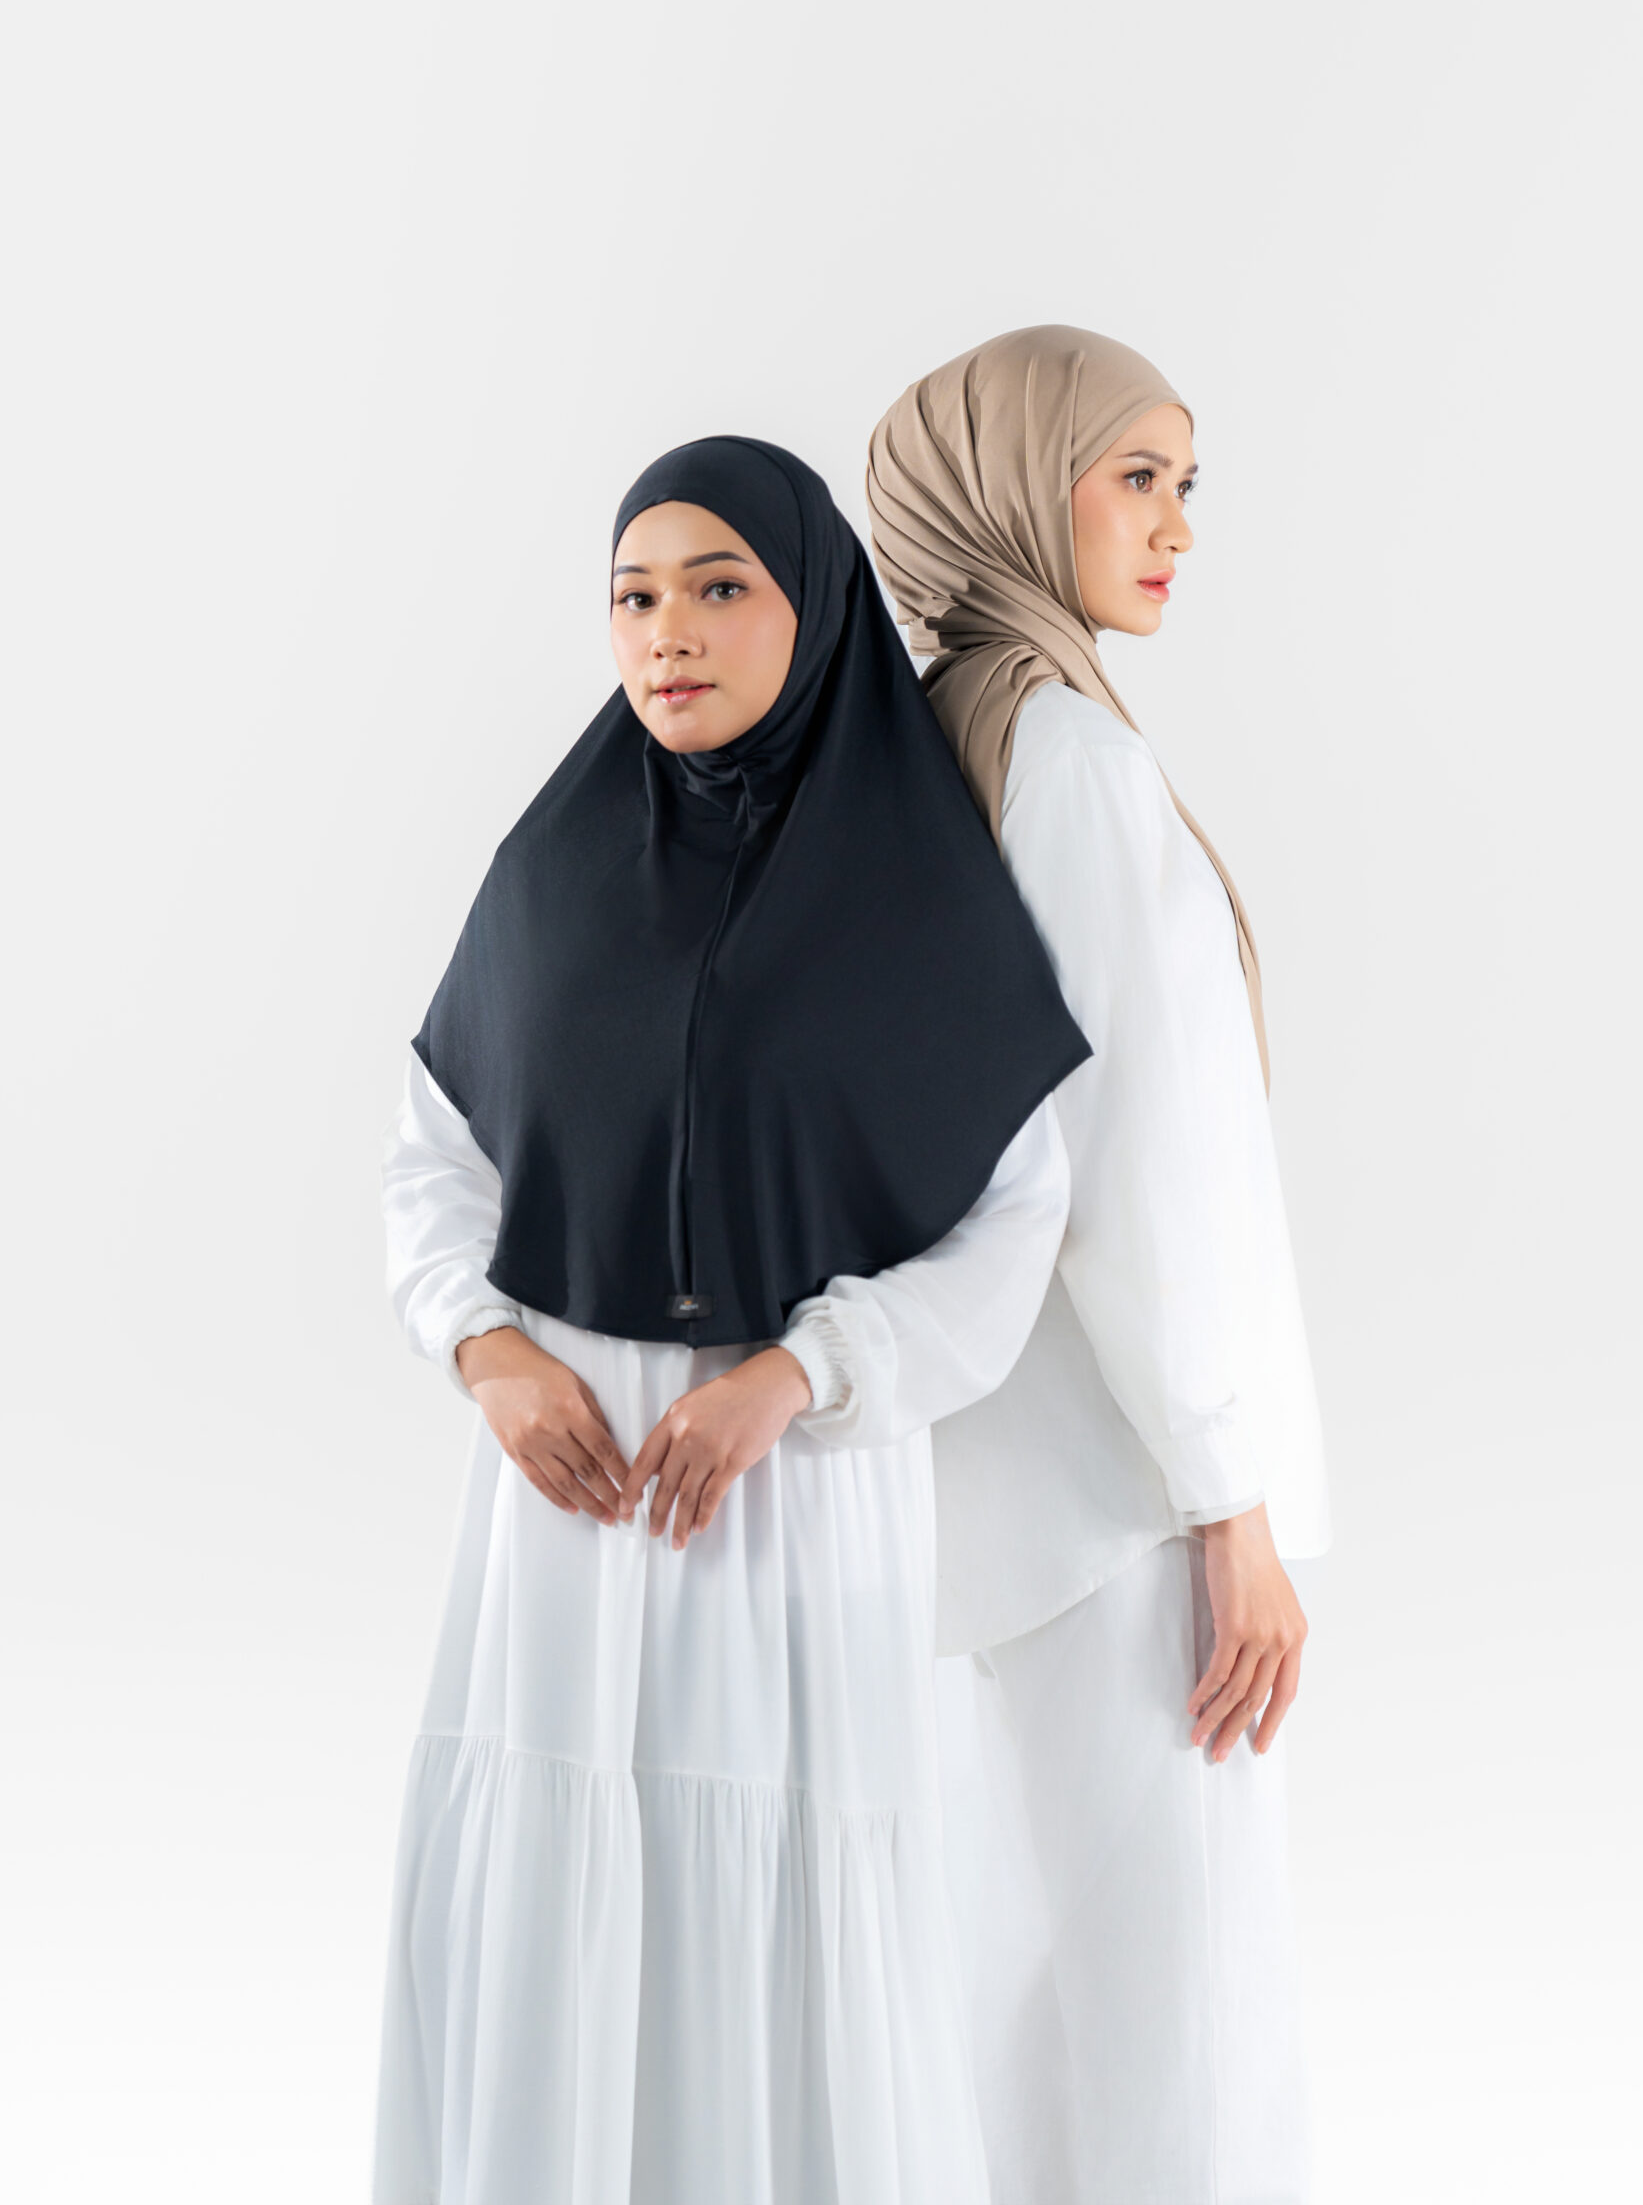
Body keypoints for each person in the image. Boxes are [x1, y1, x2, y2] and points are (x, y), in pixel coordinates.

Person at [370, 433, 1094, 2205]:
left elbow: (1012, 1226)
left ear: (817, 607)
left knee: (779, 1910)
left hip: (793, 1503)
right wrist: (488, 1350)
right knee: (560, 1882)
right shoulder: (551, 875)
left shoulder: (925, 902)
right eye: (632, 597)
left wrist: (797, 1375)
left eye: (718, 588)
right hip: (565, 1497)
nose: (667, 634)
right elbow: (435, 1155)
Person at [867, 327, 1332, 2205]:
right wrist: (1232, 1502)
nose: (1176, 527)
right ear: (1011, 481)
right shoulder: (1062, 750)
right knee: (1184, 2022)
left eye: (1185, 485)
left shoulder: (931, 736)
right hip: (1124, 1499)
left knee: (1031, 2008)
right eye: (1135, 477)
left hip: (989, 1499)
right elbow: (1132, 1161)